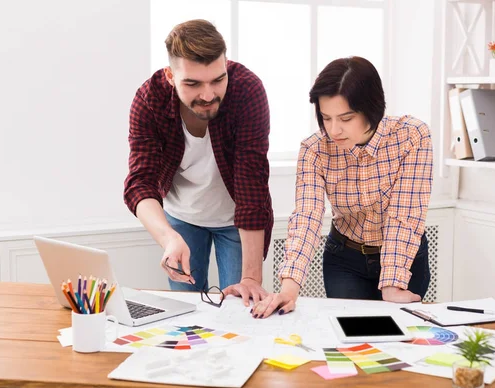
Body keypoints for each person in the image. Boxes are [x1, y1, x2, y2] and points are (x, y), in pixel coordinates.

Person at [250, 56, 433, 319]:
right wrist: (289, 289)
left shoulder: (412, 136)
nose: (334, 130)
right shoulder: (314, 148)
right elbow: (307, 216)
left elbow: (404, 215)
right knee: (351, 339)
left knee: (400, 340)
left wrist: (393, 283)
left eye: (346, 118)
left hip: (405, 257)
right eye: (326, 118)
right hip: (345, 259)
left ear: (372, 108)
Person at [123, 20, 273, 305]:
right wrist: (168, 238)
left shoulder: (247, 91)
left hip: (237, 220)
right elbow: (140, 184)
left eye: (218, 79)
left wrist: (252, 278)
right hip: (181, 219)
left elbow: (252, 185)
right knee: (186, 312)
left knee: (241, 307)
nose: (208, 95)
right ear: (170, 76)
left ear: (226, 65)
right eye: (192, 83)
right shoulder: (149, 100)